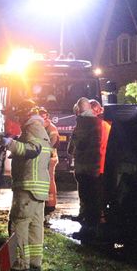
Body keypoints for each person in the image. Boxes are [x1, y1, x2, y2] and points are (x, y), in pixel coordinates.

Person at [1, 99, 51, 271]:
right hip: (38, 188)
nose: (19, 119)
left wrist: (10, 144)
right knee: (35, 225)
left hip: (27, 187)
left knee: (18, 223)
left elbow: (32, 149)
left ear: (26, 114)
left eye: (20, 115)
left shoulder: (32, 128)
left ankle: (20, 264)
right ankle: (35, 261)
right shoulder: (41, 129)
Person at [68, 97, 105, 237]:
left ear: (80, 109)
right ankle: (92, 229)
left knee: (87, 198)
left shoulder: (84, 123)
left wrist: (75, 143)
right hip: (95, 167)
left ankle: (88, 231)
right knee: (93, 198)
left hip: (84, 167)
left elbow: (76, 146)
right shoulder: (99, 122)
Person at [40, 109, 60, 214]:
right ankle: (48, 203)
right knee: (48, 179)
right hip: (48, 156)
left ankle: (50, 204)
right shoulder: (45, 126)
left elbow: (54, 141)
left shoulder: (50, 127)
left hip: (50, 157)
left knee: (49, 179)